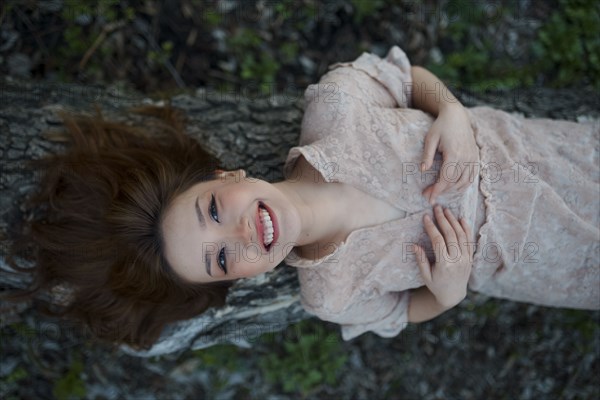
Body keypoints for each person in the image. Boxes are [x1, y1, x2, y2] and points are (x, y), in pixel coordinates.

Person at [6, 46, 599, 350]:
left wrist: (451, 110)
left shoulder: (337, 106)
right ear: (234, 282)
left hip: (558, 156)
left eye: (212, 210)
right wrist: (445, 294)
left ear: (228, 174)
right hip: (557, 266)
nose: (238, 235)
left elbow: (407, 76)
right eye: (219, 260)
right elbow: (400, 313)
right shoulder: (329, 292)